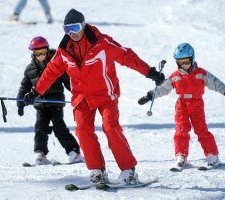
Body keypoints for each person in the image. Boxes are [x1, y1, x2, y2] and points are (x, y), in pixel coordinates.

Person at [22, 9, 165, 184]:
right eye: (67, 29)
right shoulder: (64, 50)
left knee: (110, 127)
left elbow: (127, 56)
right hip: (82, 97)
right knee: (82, 130)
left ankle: (129, 170)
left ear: (83, 25)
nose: (72, 33)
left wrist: (150, 72)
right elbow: (51, 71)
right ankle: (98, 170)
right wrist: (35, 92)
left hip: (105, 94)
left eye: (75, 28)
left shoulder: (102, 43)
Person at [138, 43, 225, 169]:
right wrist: (150, 95)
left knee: (201, 130)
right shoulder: (175, 76)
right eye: (180, 62)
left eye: (186, 61)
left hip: (196, 105)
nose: (184, 65)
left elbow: (215, 83)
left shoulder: (201, 73)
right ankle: (181, 156)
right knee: (181, 130)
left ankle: (213, 156)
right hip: (181, 105)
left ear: (192, 58)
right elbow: (163, 88)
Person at [17, 36, 84, 165]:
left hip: (55, 103)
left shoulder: (56, 65)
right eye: (37, 53)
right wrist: (20, 102)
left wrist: (80, 94)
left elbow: (69, 82)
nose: (41, 55)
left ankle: (73, 152)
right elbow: (24, 86)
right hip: (40, 104)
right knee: (40, 128)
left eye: (43, 52)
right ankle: (41, 153)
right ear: (33, 53)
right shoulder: (30, 69)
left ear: (47, 50)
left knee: (59, 127)